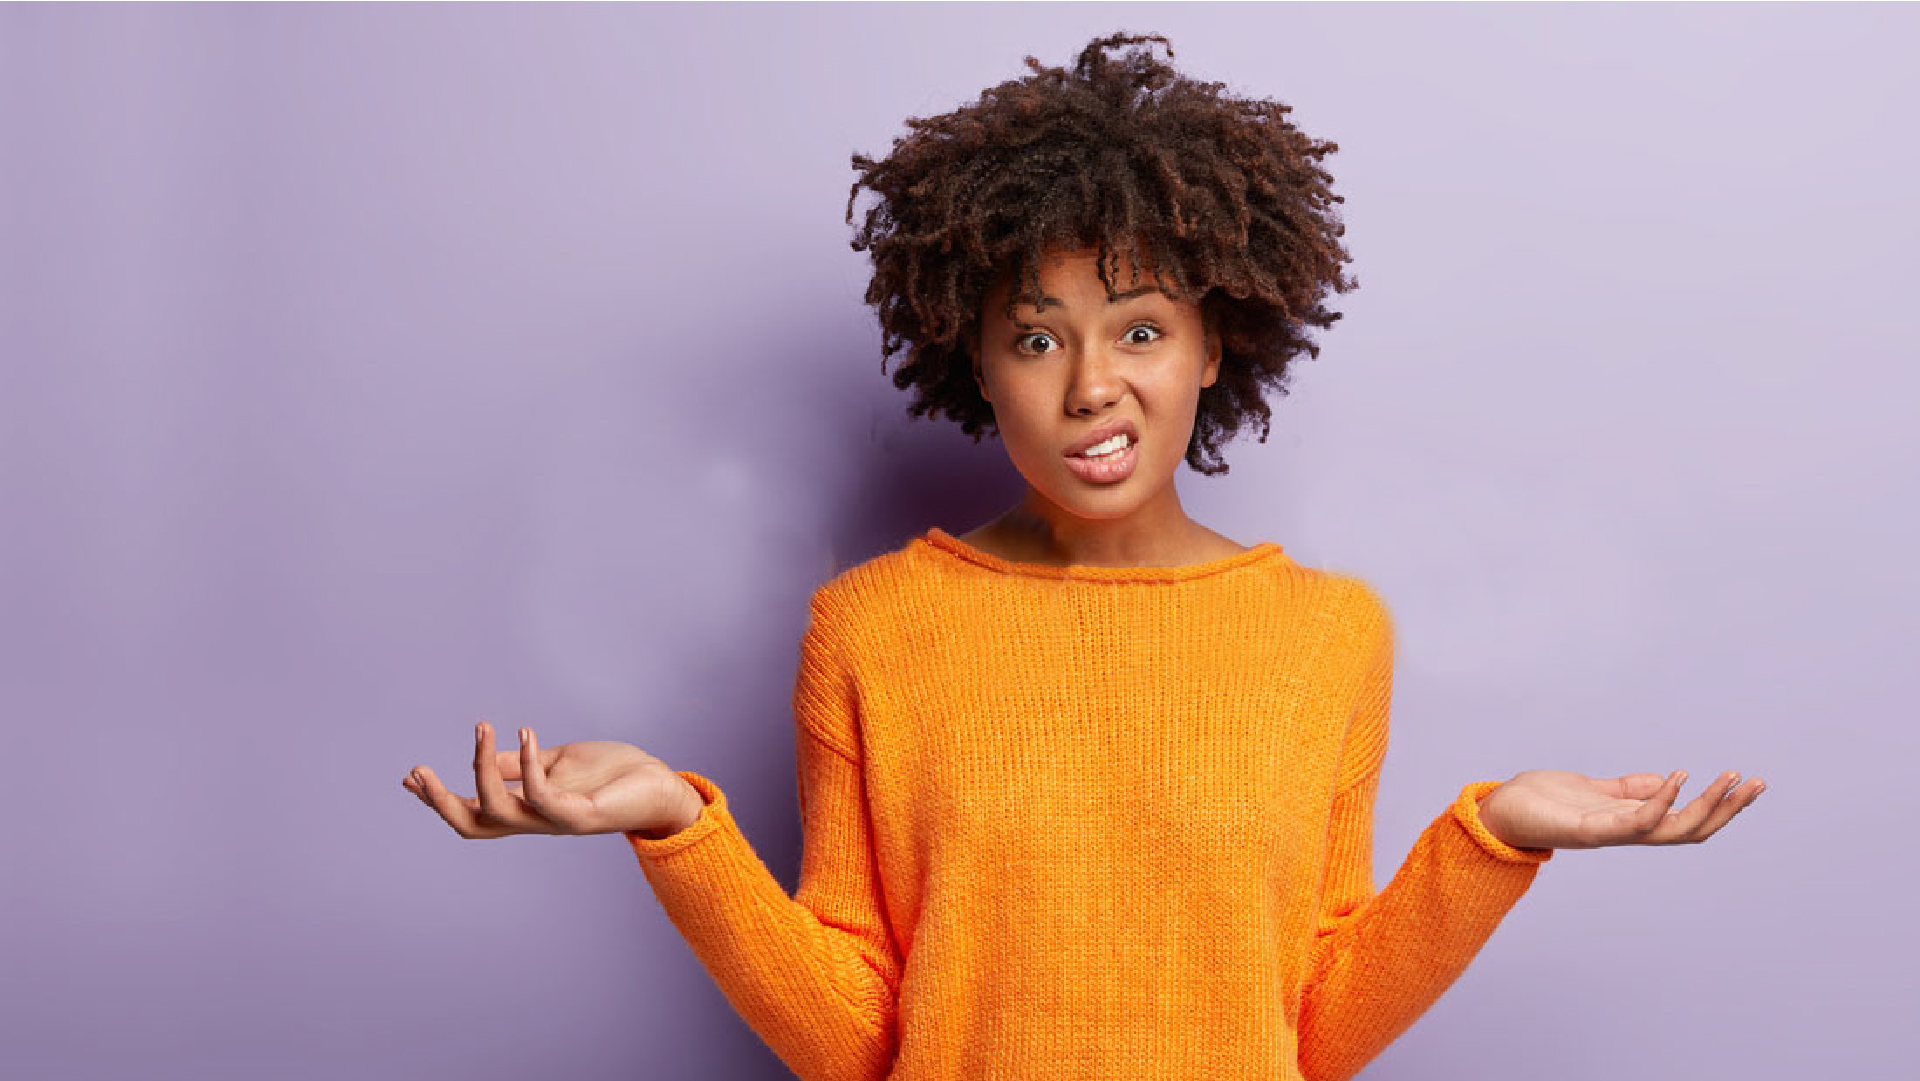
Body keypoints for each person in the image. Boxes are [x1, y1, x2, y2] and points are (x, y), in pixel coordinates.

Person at [400, 30, 1765, 1081]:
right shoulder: (871, 626)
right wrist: (676, 826)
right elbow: (856, 1038)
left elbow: (1310, 1026)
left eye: (1141, 329)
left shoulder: (1327, 632)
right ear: (974, 360)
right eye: (1038, 336)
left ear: (1216, 341)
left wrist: (1494, 839)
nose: (1092, 386)